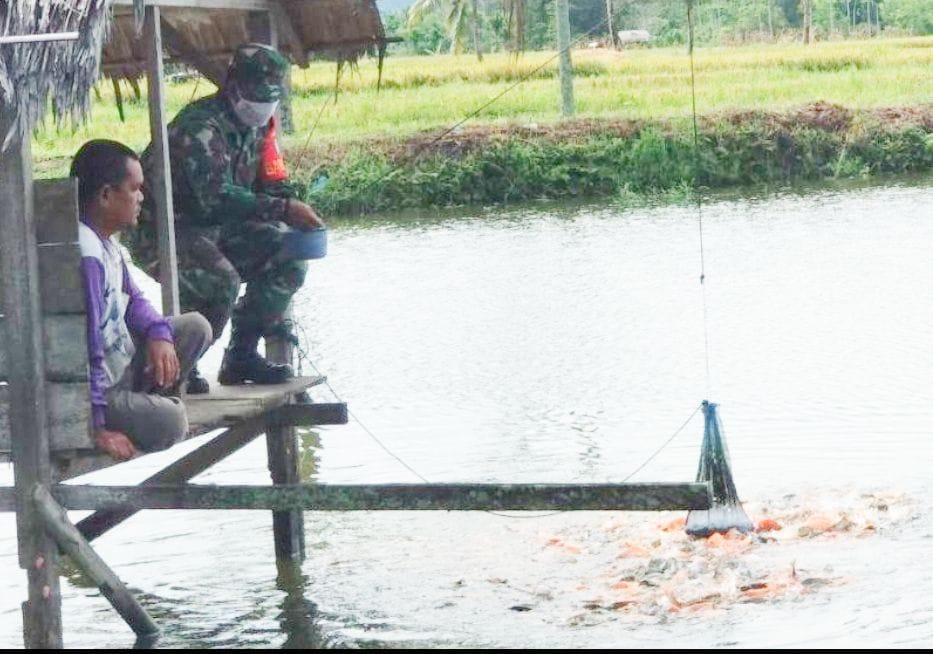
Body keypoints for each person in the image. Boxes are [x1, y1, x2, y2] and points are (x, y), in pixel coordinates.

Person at [126, 43, 325, 395]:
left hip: (217, 228)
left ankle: (241, 356)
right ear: (233, 88)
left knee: (290, 255)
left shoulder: (259, 127)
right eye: (256, 97)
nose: (262, 106)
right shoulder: (200, 128)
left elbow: (268, 183)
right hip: (165, 231)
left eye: (269, 99)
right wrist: (282, 209)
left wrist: (295, 205)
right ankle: (180, 364)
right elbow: (215, 199)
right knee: (221, 280)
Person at [72, 140, 213, 461]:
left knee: (195, 327)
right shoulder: (87, 255)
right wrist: (97, 428)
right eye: (134, 188)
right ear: (106, 195)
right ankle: (151, 411)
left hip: (120, 367)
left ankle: (150, 407)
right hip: (100, 393)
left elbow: (135, 300)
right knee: (175, 422)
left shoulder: (106, 244)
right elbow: (87, 346)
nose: (141, 197)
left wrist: (159, 335)